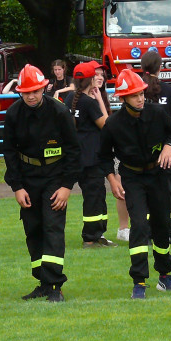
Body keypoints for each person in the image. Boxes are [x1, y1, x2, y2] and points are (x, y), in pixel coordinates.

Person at [2, 64, 82, 303]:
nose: (31, 95)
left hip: (55, 177)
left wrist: (67, 186)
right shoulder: (14, 114)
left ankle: (56, 285)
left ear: (44, 87)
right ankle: (44, 282)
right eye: (26, 91)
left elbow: (74, 150)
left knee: (52, 229)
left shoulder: (59, 112)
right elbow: (9, 152)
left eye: (35, 90)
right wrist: (17, 187)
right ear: (20, 92)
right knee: (33, 230)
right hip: (27, 179)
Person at [98, 68, 171, 299]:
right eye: (134, 95)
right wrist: (112, 180)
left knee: (162, 225)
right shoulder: (113, 124)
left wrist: (168, 146)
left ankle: (164, 275)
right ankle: (139, 280)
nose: (141, 98)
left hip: (158, 175)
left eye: (142, 93)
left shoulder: (158, 113)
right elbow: (103, 157)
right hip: (132, 178)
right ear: (123, 98)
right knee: (140, 227)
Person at [60, 60, 112, 247]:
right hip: (92, 157)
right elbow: (106, 125)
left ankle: (97, 235)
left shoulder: (69, 99)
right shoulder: (89, 102)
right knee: (95, 197)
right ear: (90, 80)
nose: (99, 77)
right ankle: (91, 237)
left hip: (75, 156)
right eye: (96, 75)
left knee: (94, 196)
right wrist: (99, 99)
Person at [141, 51, 171, 239]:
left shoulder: (139, 89)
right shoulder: (169, 90)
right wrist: (168, 118)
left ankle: (149, 228)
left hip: (145, 147)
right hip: (168, 146)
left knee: (148, 189)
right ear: (160, 68)